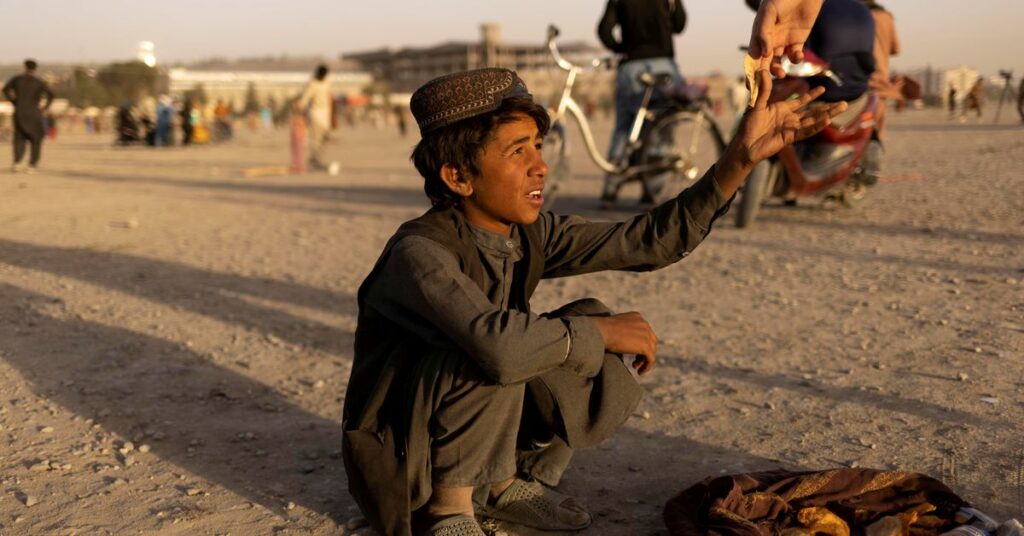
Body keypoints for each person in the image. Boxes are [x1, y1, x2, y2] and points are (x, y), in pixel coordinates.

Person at [342, 67, 845, 536]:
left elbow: (649, 240)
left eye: (537, 147)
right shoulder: (420, 252)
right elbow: (500, 348)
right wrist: (600, 334)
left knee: (583, 320)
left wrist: (741, 157)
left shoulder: (528, 232)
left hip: (472, 422)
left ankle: (504, 483)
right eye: (517, 152)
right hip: (406, 460)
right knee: (502, 346)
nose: (540, 167)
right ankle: (450, 511)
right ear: (458, 177)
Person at [597, 0, 687, 208]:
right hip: (663, 65)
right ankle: (652, 190)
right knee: (661, 129)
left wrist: (623, 48)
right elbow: (679, 25)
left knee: (624, 128)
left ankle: (610, 190)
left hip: (631, 66)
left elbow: (604, 31)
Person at [3, 59, 54, 174]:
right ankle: (32, 165)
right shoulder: (39, 82)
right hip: (34, 113)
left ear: (24, 67)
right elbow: (51, 94)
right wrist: (45, 107)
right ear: (35, 69)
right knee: (36, 139)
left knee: (19, 138)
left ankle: (17, 163)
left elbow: (5, 89)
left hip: (19, 112)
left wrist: (14, 101)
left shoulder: (17, 80)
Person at [860, 0, 900, 139]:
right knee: (877, 128)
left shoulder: (853, 14)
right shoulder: (886, 17)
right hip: (880, 80)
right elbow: (896, 49)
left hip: (855, 76)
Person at [296, 64, 333, 171]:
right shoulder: (313, 84)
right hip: (315, 114)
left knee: (325, 137)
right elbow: (305, 98)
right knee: (316, 138)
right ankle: (315, 159)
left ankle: (316, 157)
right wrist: (300, 107)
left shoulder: (327, 82)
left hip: (326, 114)